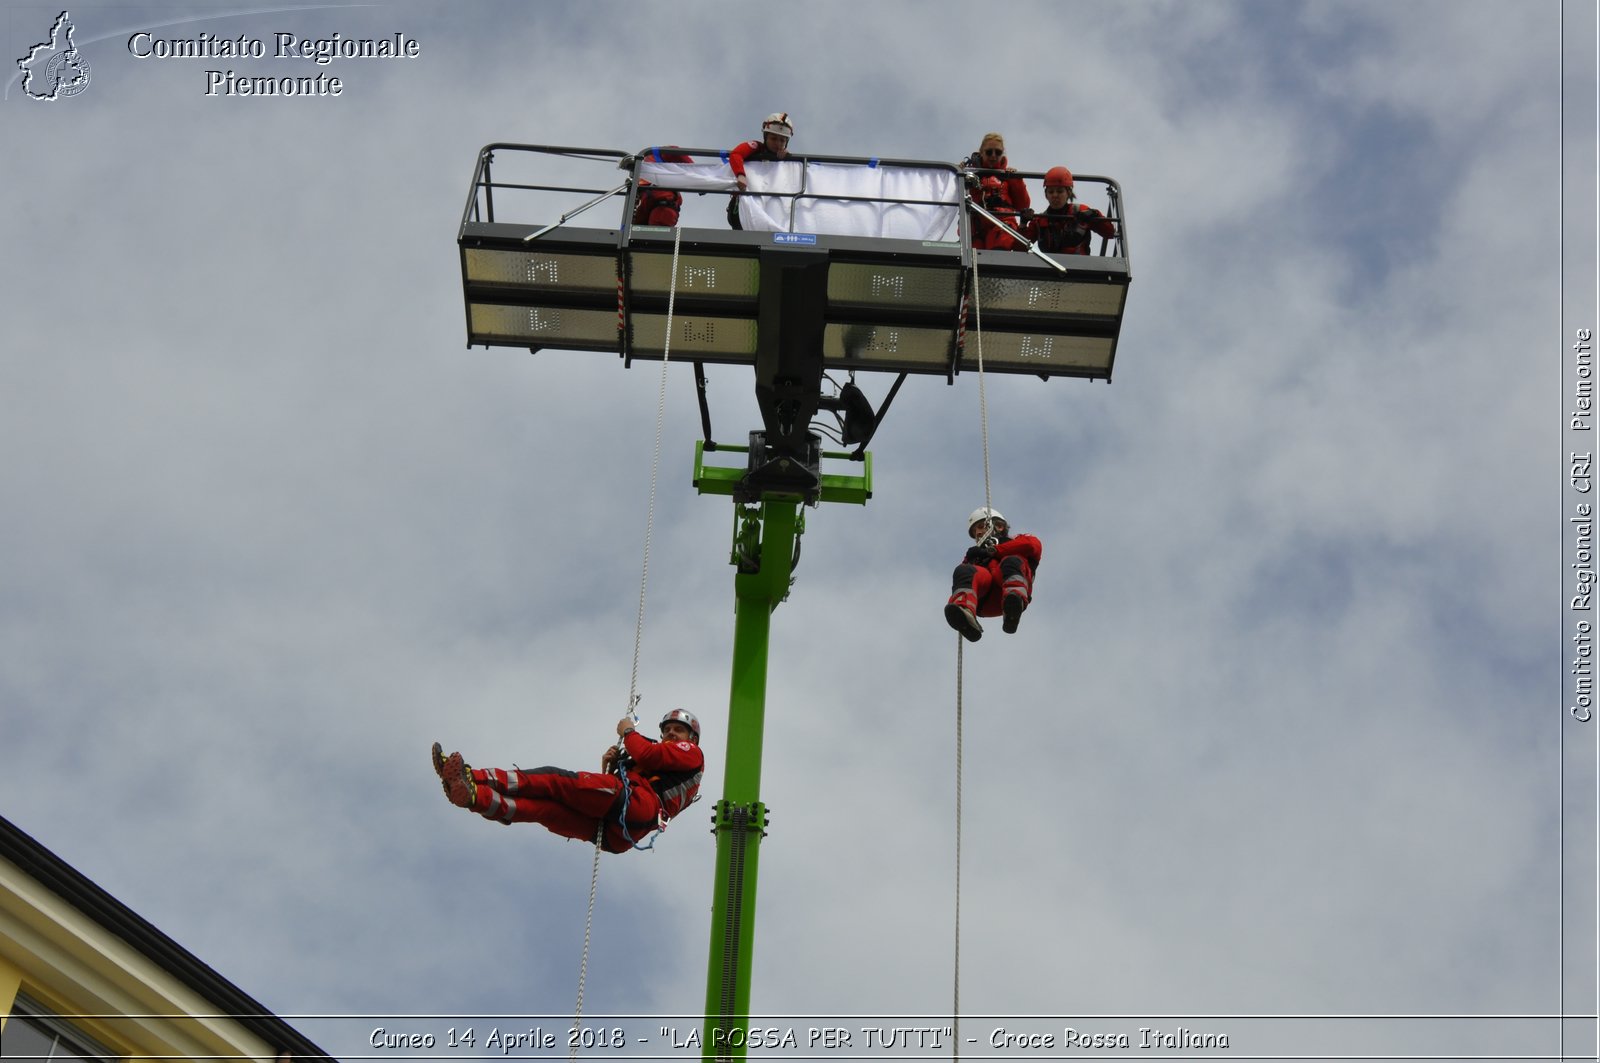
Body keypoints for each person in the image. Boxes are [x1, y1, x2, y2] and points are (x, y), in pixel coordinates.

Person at [432, 709, 704, 852]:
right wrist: (612, 766)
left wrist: (628, 730)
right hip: (621, 832)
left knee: (555, 780)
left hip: (635, 805)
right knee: (545, 810)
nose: (670, 734)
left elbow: (644, 751)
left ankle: (473, 775)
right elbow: (642, 764)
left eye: (678, 730)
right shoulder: (669, 765)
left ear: (691, 738)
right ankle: (473, 796)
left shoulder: (691, 753)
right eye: (666, 729)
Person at [944, 507, 1042, 642]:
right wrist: (971, 558)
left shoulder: (1017, 540)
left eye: (980, 526)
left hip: (1008, 584)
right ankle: (965, 611)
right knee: (964, 571)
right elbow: (963, 577)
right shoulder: (975, 556)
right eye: (974, 531)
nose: (978, 533)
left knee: (1011, 561)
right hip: (984, 600)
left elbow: (1032, 545)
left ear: (1000, 526)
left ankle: (1013, 603)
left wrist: (992, 551)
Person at [1025, 166, 1116, 255]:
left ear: (1068, 193)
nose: (1055, 195)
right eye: (1051, 192)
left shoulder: (1082, 211)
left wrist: (1095, 215)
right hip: (1050, 267)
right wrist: (1023, 223)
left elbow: (1109, 232)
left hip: (1079, 267)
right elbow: (1020, 248)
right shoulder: (1039, 221)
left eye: (1060, 191)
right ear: (1046, 195)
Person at [726, 112, 794, 229]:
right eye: (773, 138)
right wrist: (741, 175)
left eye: (782, 140)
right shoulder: (756, 148)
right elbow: (736, 154)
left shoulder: (789, 161)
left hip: (773, 211)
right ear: (765, 137)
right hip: (744, 210)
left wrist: (786, 159)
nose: (778, 144)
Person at [631, 147, 695, 228]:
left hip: (662, 208)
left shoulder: (654, 156)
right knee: (635, 236)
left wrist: (697, 176)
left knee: (653, 235)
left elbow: (675, 152)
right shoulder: (637, 175)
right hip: (644, 211)